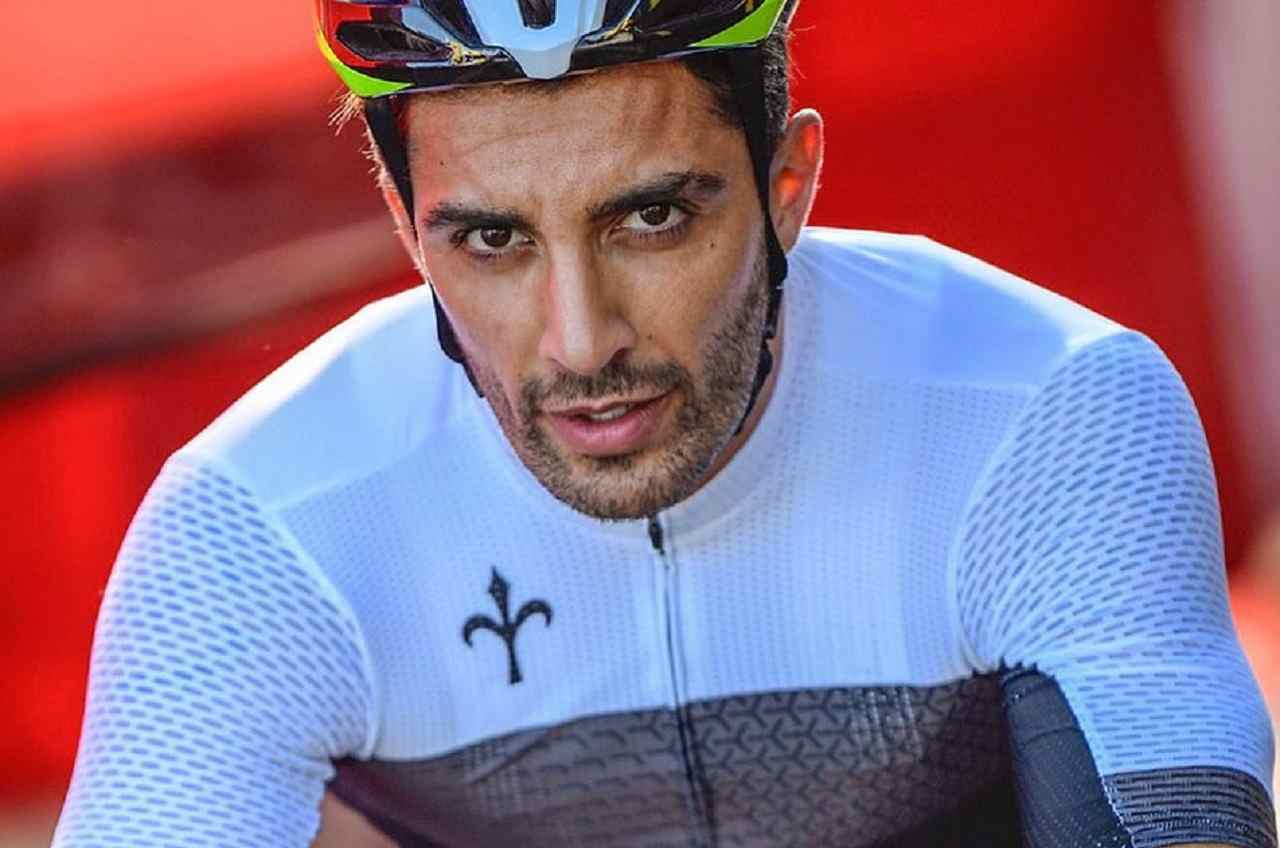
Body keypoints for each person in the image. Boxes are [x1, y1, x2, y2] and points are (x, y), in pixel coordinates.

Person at [53, 2, 1276, 846]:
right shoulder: (261, 531)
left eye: (649, 219)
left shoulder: (1044, 414)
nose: (580, 342)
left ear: (787, 187)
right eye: (490, 239)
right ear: (401, 224)